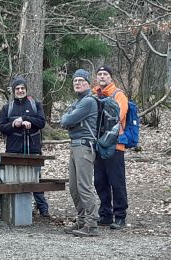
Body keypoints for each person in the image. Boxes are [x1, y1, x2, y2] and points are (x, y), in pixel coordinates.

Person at [0, 76, 50, 217]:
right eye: (17, 88)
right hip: (13, 148)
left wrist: (26, 119)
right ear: (13, 91)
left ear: (26, 89)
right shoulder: (7, 108)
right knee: (12, 178)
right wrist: (14, 124)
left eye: (22, 88)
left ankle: (43, 208)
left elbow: (41, 122)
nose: (20, 91)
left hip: (33, 147)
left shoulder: (35, 105)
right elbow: (2, 127)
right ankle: (12, 209)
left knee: (35, 178)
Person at [60, 69, 100, 237]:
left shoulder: (88, 101)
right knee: (74, 187)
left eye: (81, 80)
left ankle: (92, 224)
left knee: (84, 186)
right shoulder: (79, 101)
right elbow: (64, 121)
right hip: (75, 146)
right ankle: (82, 220)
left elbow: (66, 120)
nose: (77, 83)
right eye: (75, 80)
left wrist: (69, 119)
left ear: (87, 83)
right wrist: (69, 119)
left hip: (84, 146)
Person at [93, 66, 129, 230]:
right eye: (99, 74)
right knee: (100, 181)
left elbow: (118, 116)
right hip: (99, 145)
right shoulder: (94, 95)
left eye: (105, 74)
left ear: (111, 77)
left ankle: (120, 216)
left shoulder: (119, 95)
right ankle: (105, 214)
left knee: (117, 181)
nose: (102, 77)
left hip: (115, 145)